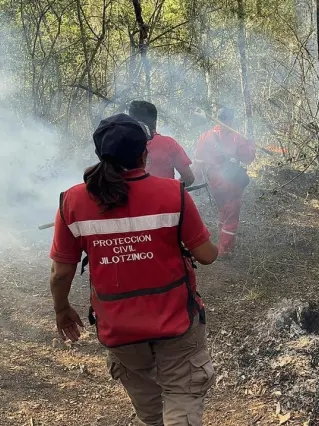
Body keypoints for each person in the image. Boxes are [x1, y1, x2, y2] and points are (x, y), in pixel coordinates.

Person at [49, 113, 218, 426]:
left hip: (120, 329)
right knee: (181, 408)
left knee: (151, 414)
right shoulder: (172, 194)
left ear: (101, 154)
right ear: (145, 153)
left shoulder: (71, 202)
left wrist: (61, 309)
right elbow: (206, 256)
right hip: (177, 322)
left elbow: (61, 274)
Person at [192, 107, 255, 258]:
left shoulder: (205, 136)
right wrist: (250, 145)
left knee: (223, 209)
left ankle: (226, 241)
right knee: (231, 215)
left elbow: (198, 162)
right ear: (231, 119)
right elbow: (248, 158)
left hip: (213, 181)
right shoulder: (236, 137)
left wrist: (196, 181)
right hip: (231, 181)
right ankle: (224, 249)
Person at [129, 100, 196, 186]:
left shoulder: (120, 145)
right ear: (154, 122)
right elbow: (188, 178)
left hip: (133, 198)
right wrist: (171, 188)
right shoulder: (169, 144)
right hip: (165, 198)